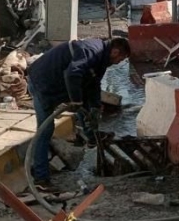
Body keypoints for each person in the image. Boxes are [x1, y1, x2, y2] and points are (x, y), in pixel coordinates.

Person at [26, 37, 130, 190]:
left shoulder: (101, 59)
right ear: (115, 51)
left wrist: (95, 108)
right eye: (121, 58)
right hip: (43, 83)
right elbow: (73, 73)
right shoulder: (92, 50)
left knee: (85, 105)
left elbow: (93, 84)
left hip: (57, 82)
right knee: (45, 130)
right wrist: (76, 101)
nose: (120, 62)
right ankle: (41, 179)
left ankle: (91, 137)